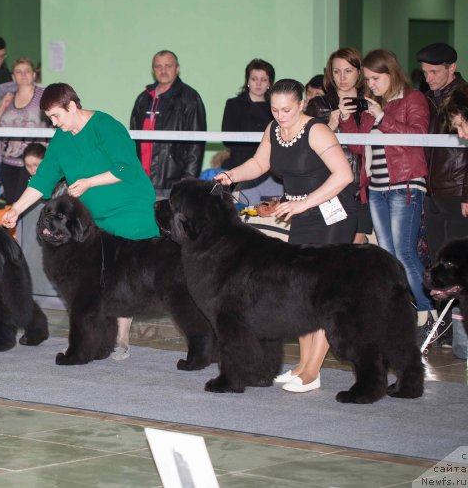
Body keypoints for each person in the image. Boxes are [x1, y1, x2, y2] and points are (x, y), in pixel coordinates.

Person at [215, 79, 356, 393]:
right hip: (301, 213)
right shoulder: (273, 130)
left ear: (302, 104)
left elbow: (344, 174)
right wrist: (232, 175)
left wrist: (305, 201)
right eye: (275, 109)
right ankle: (303, 366)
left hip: (332, 214)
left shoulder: (317, 130)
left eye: (287, 109)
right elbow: (259, 163)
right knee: (300, 292)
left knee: (319, 293)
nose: (280, 115)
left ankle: (312, 372)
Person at [2, 83, 159, 360]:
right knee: (93, 282)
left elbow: (126, 167)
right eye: (50, 118)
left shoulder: (105, 126)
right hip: (93, 218)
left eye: (56, 116)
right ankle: (93, 339)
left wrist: (88, 182)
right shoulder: (62, 139)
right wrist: (16, 209)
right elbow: (43, 179)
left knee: (120, 276)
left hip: (130, 208)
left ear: (72, 106)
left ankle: (121, 336)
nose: (54, 123)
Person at [338, 48, 435, 343]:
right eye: (367, 79)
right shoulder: (374, 105)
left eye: (375, 78)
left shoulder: (413, 99)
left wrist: (382, 117)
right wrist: (345, 121)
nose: (371, 85)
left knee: (405, 253)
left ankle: (429, 313)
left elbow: (418, 135)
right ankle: (406, 315)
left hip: (404, 183)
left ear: (391, 74)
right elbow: (359, 148)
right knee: (388, 255)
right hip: (377, 187)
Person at [417, 43, 468, 346]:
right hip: (433, 188)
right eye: (425, 73)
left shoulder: (462, 97)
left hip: (457, 190)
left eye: (435, 72)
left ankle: (458, 332)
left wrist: (466, 193)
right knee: (438, 261)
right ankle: (444, 327)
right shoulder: (426, 99)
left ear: (452, 67)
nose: (429, 78)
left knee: (458, 263)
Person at [306, 47, 373, 244]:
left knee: (354, 249)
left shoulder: (371, 104)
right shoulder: (319, 104)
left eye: (348, 71)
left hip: (364, 189)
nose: (342, 77)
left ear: (359, 72)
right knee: (330, 249)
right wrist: (330, 127)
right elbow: (304, 150)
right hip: (329, 186)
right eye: (336, 71)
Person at [130, 50, 207, 197]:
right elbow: (132, 140)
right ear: (153, 70)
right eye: (158, 66)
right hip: (141, 181)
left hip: (173, 184)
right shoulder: (143, 99)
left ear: (177, 68)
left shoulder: (190, 98)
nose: (163, 70)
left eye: (168, 66)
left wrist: (187, 183)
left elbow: (196, 145)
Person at [220, 58, 281, 204]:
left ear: (270, 83)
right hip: (239, 168)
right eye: (254, 79)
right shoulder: (233, 104)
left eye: (263, 79)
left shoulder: (276, 107)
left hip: (270, 171)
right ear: (247, 81)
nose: (258, 84)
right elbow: (227, 139)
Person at [0, 58, 47, 203]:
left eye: (27, 71)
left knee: (28, 205)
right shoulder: (8, 97)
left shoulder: (44, 95)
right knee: (11, 204)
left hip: (33, 162)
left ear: (34, 74)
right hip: (8, 161)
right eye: (19, 72)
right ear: (13, 77)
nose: (23, 74)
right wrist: (2, 105)